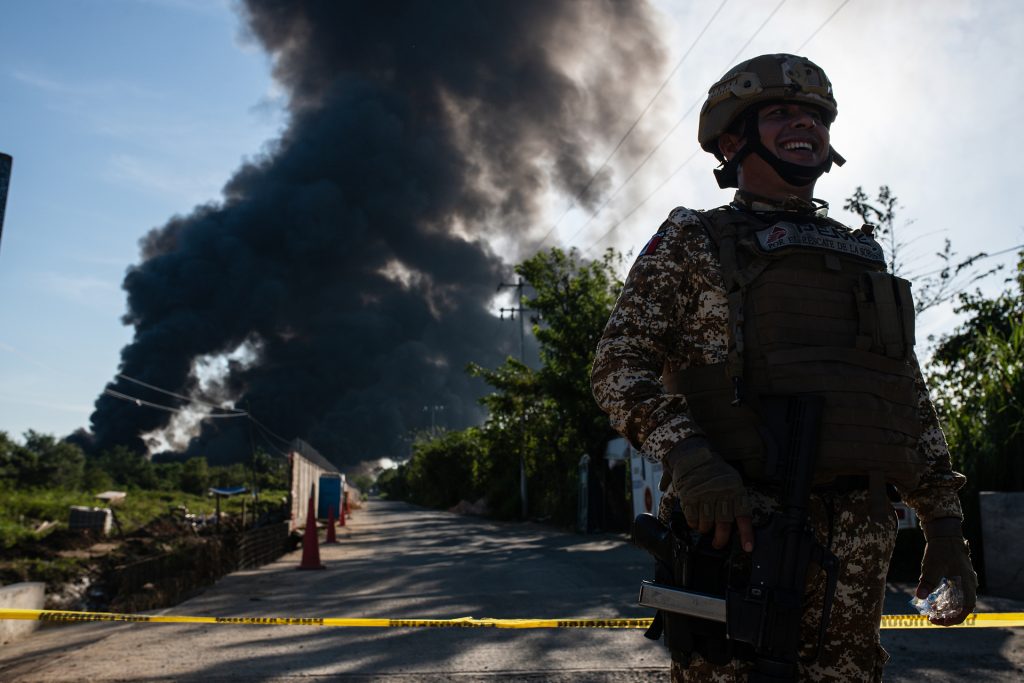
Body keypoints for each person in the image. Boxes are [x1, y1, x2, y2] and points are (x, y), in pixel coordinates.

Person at [591, 53, 978, 682]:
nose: (803, 124)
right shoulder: (693, 241)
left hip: (857, 551)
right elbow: (617, 364)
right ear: (731, 139)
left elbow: (903, 394)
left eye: (814, 114)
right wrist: (690, 459)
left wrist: (945, 525)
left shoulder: (862, 256)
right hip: (740, 533)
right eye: (778, 113)